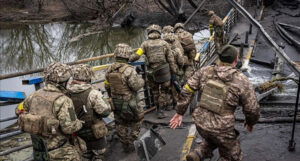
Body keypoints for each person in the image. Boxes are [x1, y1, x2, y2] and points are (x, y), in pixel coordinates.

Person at [170, 45, 260, 161]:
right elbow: (252, 108)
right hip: (222, 128)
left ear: (219, 58)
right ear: (236, 60)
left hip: (201, 123)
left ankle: (198, 154)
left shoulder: (204, 71)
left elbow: (187, 90)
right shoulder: (241, 80)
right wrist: (250, 122)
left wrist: (179, 112)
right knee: (233, 155)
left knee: (212, 138)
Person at [17, 62, 83, 161]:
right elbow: (70, 128)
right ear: (65, 82)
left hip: (39, 151)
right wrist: (80, 123)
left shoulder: (34, 95)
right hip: (59, 152)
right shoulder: (64, 100)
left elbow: (19, 110)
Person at [130, 24, 178, 118]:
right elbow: (170, 59)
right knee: (164, 91)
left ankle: (157, 109)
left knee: (155, 91)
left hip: (151, 72)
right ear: (159, 32)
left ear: (149, 33)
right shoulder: (165, 43)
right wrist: (173, 71)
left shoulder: (145, 44)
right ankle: (160, 110)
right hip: (164, 71)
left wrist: (128, 59)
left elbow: (137, 55)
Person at [105, 43, 145, 152]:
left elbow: (106, 86)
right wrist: (141, 79)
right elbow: (136, 86)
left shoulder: (109, 70)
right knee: (138, 119)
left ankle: (124, 142)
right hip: (130, 102)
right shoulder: (129, 70)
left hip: (115, 102)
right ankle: (131, 140)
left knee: (120, 122)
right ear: (127, 55)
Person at [67, 64, 111, 161]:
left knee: (83, 156)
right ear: (88, 77)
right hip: (94, 134)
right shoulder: (92, 93)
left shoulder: (66, 93)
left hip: (77, 134)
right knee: (98, 156)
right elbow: (105, 112)